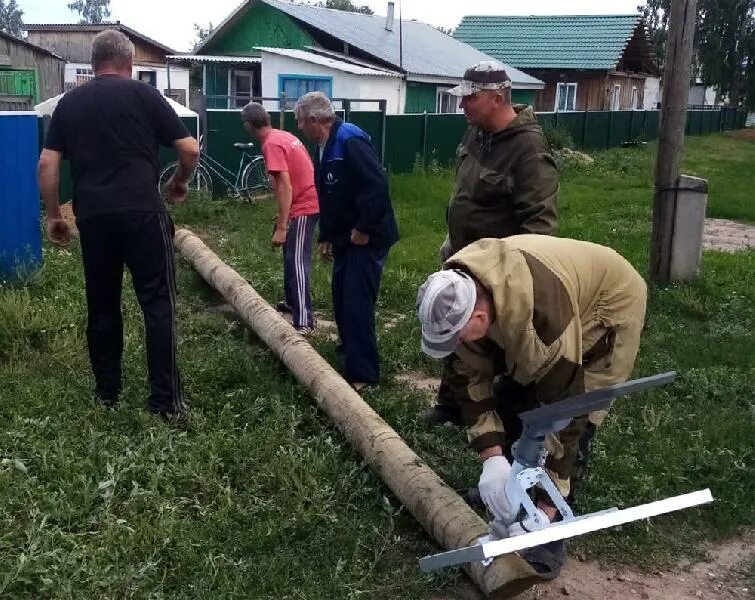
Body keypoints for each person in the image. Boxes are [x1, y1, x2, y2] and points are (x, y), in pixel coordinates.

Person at [416, 235, 647, 578]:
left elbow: (566, 412)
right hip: (545, 306)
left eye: (458, 336)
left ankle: (548, 524)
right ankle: (510, 489)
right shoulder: (455, 289)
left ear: (480, 315)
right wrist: (492, 458)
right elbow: (468, 381)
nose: (455, 345)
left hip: (607, 304)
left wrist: (543, 509)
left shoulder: (541, 324)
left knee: (574, 414)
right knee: (516, 395)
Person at [38, 29, 199, 420]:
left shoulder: (69, 104)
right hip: (144, 212)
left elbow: (47, 163)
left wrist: (56, 216)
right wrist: (178, 182)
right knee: (158, 305)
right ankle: (165, 403)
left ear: (94, 65)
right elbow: (190, 149)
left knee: (103, 305)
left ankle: (107, 394)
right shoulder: (145, 95)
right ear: (129, 63)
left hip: (94, 217)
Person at [426, 60, 560, 426]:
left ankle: (498, 418)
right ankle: (451, 404)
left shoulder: (528, 150)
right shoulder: (476, 134)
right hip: (462, 258)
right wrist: (451, 242)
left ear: (498, 98)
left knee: (484, 342)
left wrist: (509, 280)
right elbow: (465, 192)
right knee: (455, 332)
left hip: (496, 272)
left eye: (469, 98)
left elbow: (540, 227)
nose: (461, 105)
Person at [294, 92, 399, 391]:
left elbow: (376, 185)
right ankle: (349, 348)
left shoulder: (349, 140)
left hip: (368, 236)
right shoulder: (323, 146)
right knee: (341, 294)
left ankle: (365, 374)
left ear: (314, 120)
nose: (299, 127)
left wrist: (364, 227)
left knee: (356, 301)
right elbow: (330, 197)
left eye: (300, 121)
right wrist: (326, 235)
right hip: (346, 237)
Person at [241, 102, 320, 334]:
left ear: (248, 125)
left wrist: (283, 227)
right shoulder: (282, 136)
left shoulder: (271, 145)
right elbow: (297, 174)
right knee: (289, 256)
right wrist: (283, 213)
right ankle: (292, 302)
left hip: (306, 205)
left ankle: (305, 320)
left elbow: (284, 185)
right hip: (302, 201)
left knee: (297, 262)